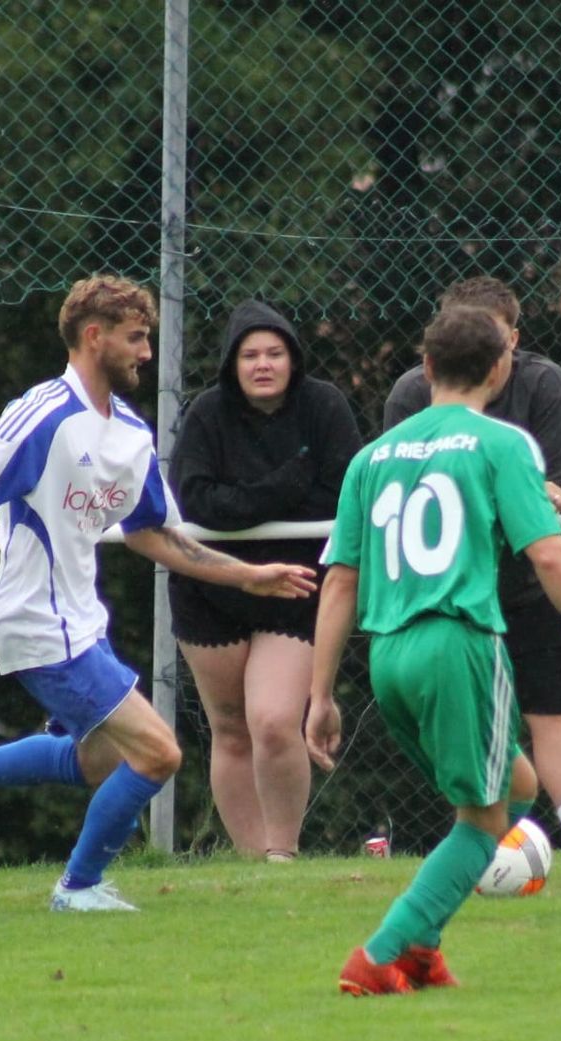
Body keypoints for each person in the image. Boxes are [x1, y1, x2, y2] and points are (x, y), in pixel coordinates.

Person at [0, 274, 316, 912]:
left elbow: (155, 537)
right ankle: (78, 887)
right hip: (36, 621)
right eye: (136, 338)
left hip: (82, 623)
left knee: (95, 762)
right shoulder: (45, 414)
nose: (146, 353)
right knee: (159, 752)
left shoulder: (129, 436)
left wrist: (249, 575)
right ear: (95, 337)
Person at [308, 306, 561, 996]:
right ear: (499, 367)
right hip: (458, 643)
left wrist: (320, 693)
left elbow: (340, 581)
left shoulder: (373, 456)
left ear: (425, 371)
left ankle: (423, 953)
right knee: (484, 817)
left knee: (517, 786)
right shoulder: (501, 443)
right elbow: (548, 553)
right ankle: (380, 954)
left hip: (388, 653)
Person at [383, 277, 561, 851]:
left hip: (522, 585)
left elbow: (555, 499)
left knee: (548, 700)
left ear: (512, 340)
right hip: (451, 599)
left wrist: (544, 496)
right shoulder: (409, 404)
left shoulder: (542, 385)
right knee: (472, 729)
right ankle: (484, 833)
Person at [168, 301, 363, 862]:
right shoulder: (207, 413)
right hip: (213, 589)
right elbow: (199, 501)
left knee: (275, 721)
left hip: (297, 587)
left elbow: (343, 496)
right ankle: (254, 867)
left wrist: (249, 503)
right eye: (250, 355)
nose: (262, 365)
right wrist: (285, 486)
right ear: (232, 363)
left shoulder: (324, 406)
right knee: (230, 729)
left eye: (274, 353)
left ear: (292, 359)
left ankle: (283, 854)